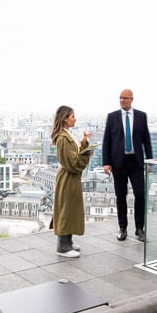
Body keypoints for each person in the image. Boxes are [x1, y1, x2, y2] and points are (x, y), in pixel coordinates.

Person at [102, 89, 152, 242]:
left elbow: (146, 139)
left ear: (132, 99)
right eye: (120, 98)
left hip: (136, 162)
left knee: (140, 194)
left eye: (125, 98)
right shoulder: (112, 117)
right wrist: (106, 163)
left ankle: (139, 228)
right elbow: (106, 141)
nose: (122, 100)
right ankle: (122, 228)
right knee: (120, 196)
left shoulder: (141, 116)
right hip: (118, 162)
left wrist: (149, 160)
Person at [50, 105, 93, 258]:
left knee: (70, 207)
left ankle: (67, 241)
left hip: (70, 177)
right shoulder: (63, 138)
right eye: (73, 116)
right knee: (66, 209)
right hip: (68, 177)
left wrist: (85, 142)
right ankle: (62, 246)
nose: (75, 119)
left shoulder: (66, 135)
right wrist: (86, 155)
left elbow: (73, 156)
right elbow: (73, 162)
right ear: (65, 118)